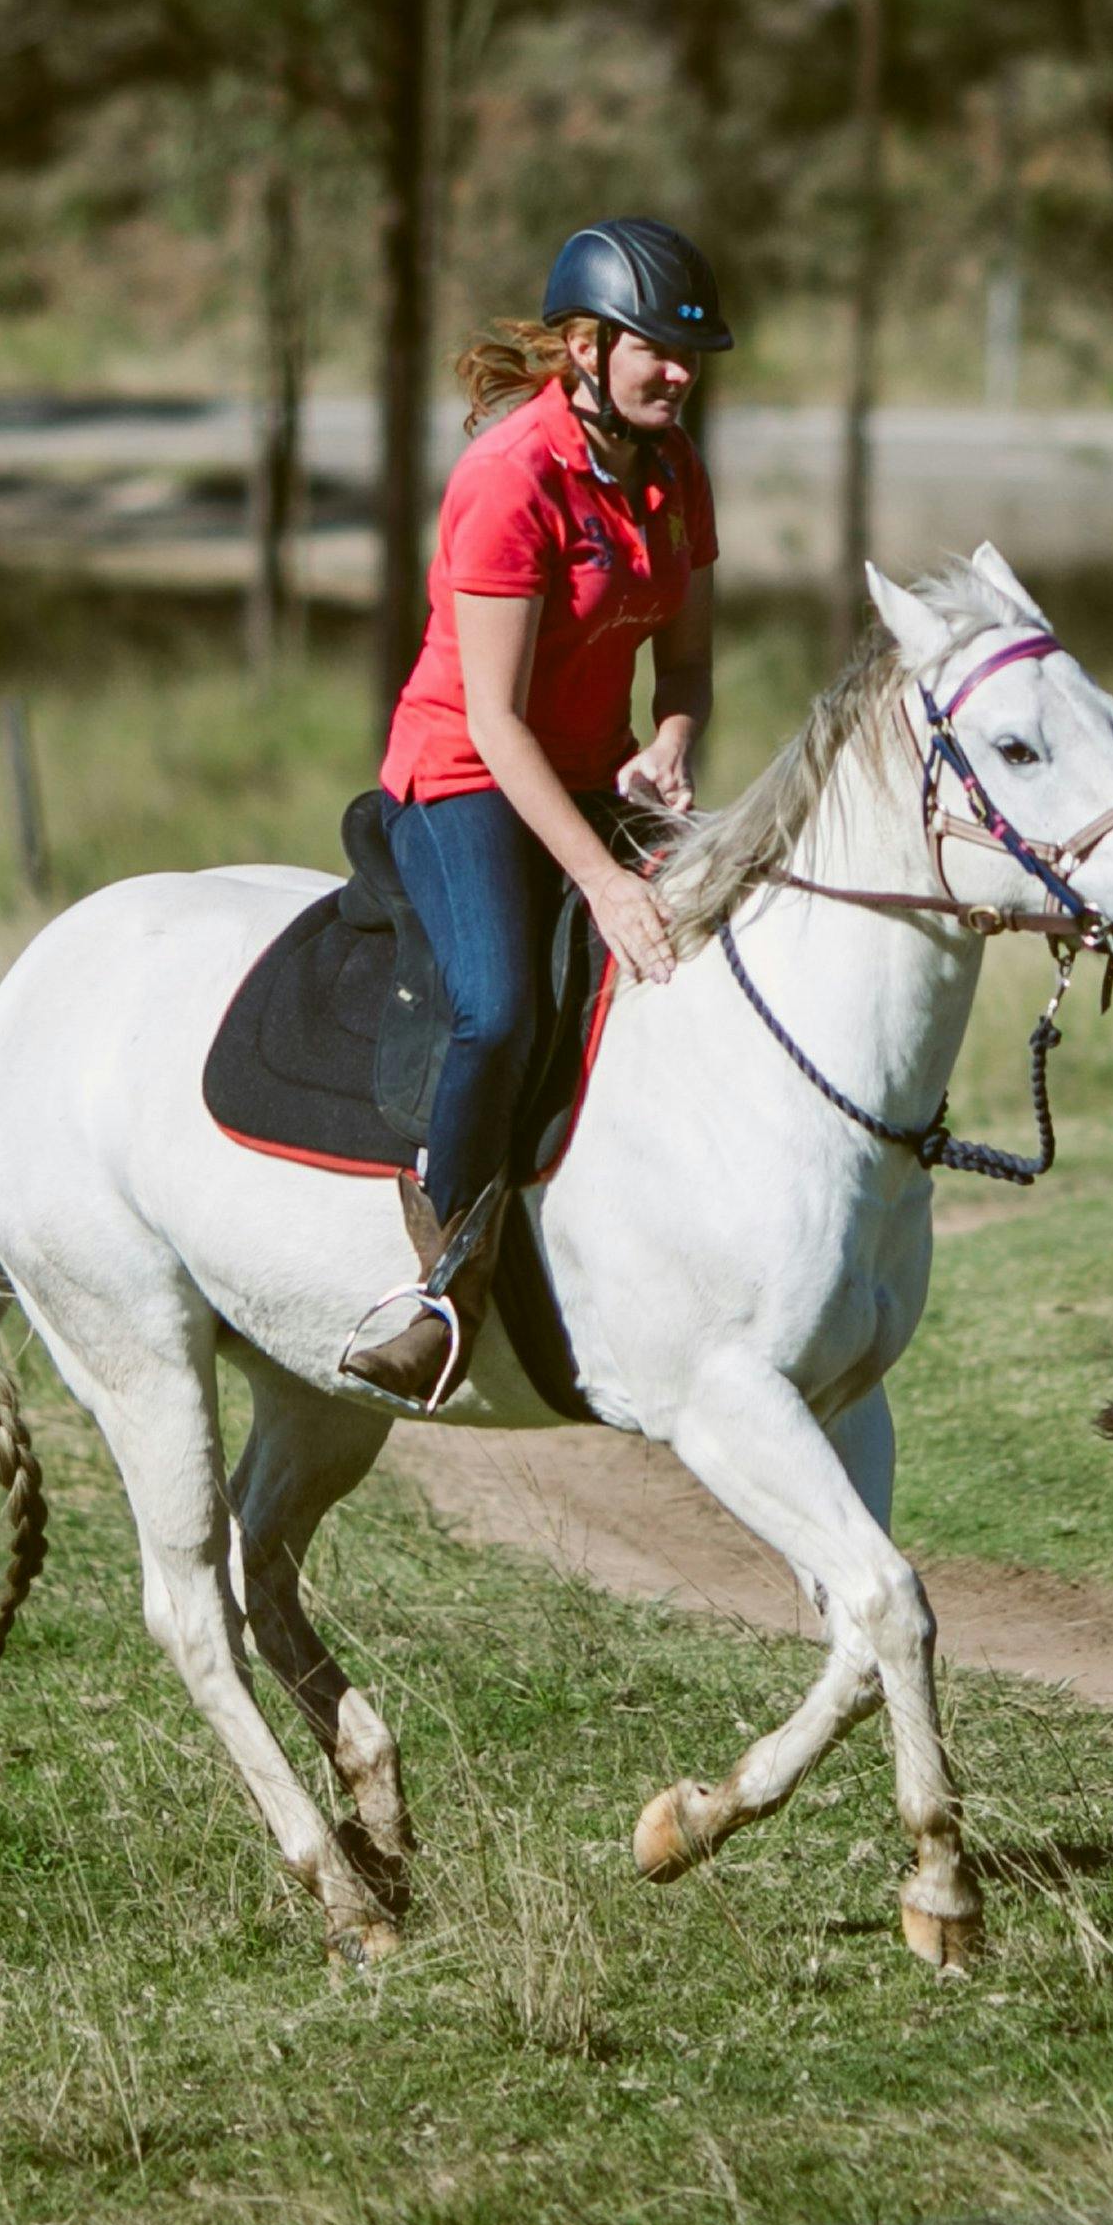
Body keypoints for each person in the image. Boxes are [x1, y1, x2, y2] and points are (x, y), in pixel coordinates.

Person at [339, 218, 728, 1407]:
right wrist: (606, 883)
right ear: (583, 346)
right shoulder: (508, 477)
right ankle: (442, 1286)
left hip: (594, 769)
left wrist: (668, 744)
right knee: (502, 1011)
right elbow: (497, 725)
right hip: (464, 776)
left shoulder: (673, 469)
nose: (678, 372)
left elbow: (689, 671)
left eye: (688, 354)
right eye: (656, 350)